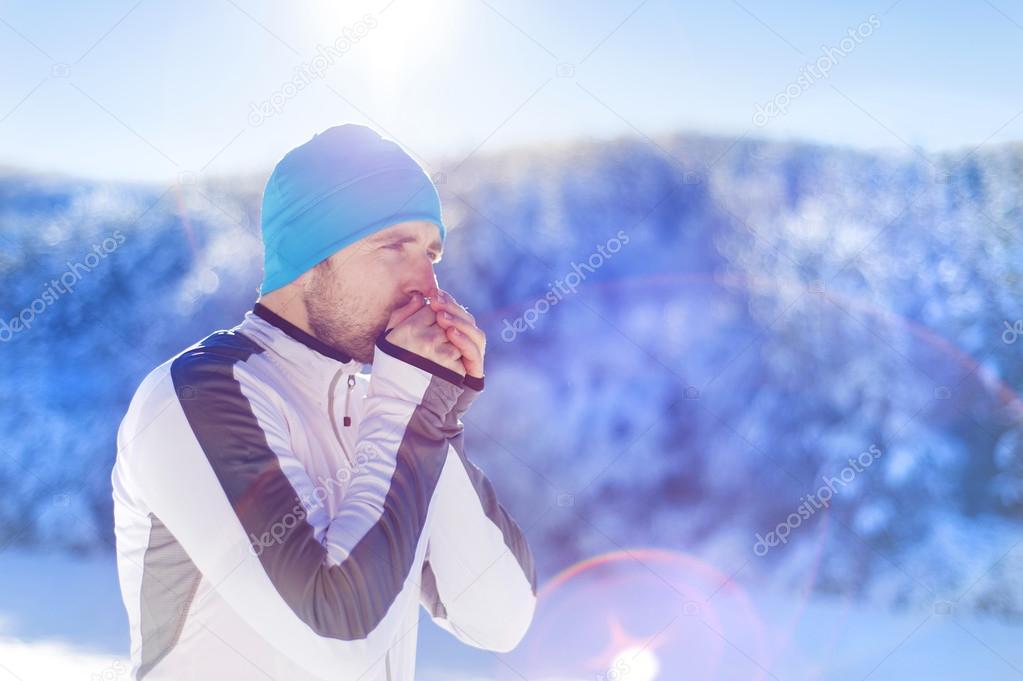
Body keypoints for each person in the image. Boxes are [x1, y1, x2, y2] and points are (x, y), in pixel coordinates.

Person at [110, 124, 537, 680]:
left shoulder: (390, 406)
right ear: (311, 257)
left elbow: (499, 618)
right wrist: (410, 414)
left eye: (431, 252)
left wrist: (435, 419)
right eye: (392, 246)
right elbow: (338, 629)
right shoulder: (198, 395)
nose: (427, 284)